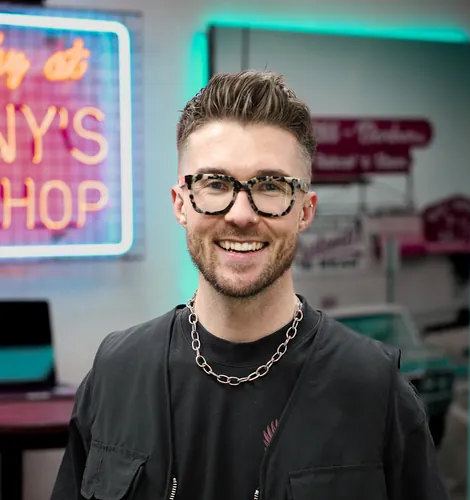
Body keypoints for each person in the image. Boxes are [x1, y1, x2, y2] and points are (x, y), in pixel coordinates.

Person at [51, 70, 449, 500]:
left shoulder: (374, 389)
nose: (241, 214)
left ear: (305, 210)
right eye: (215, 183)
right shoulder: (116, 373)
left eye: (271, 185)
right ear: (180, 204)